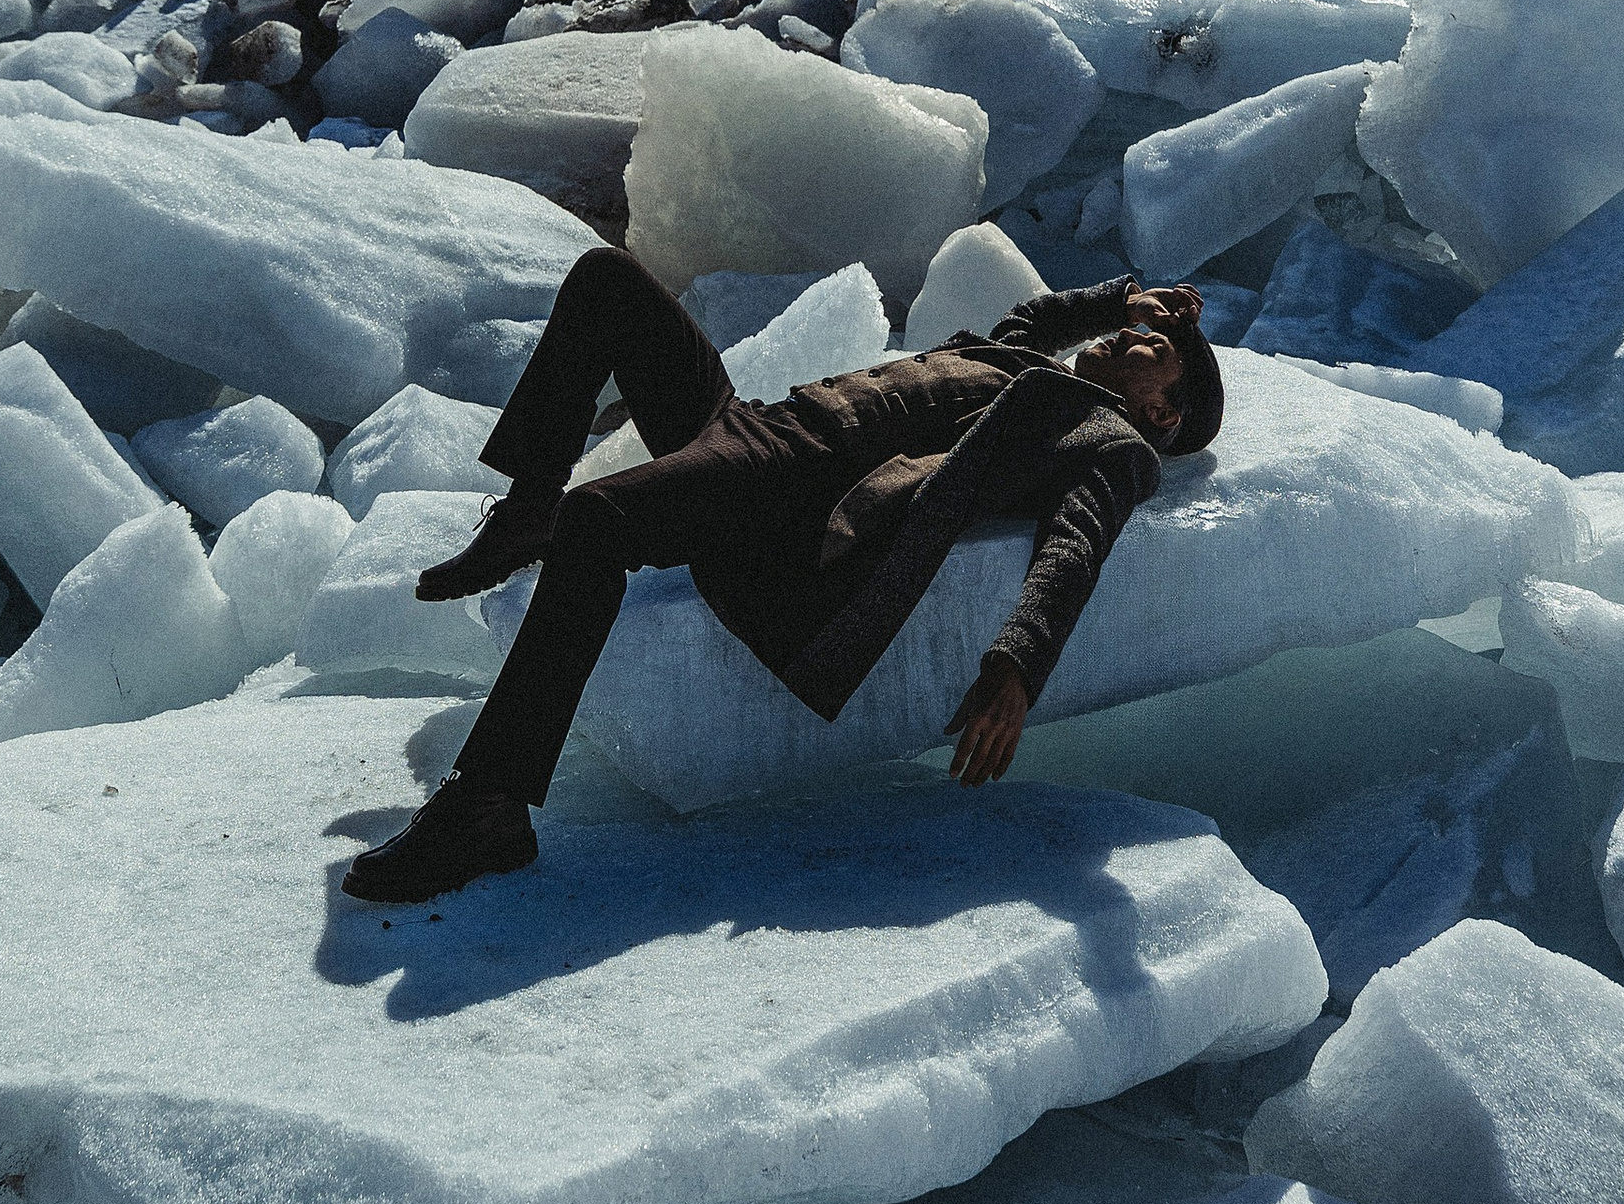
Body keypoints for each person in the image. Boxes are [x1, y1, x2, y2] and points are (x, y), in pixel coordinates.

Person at [340, 246, 1225, 903]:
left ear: (1163, 409)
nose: (1138, 332)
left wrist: (1016, 664)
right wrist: (1120, 295)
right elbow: (1038, 318)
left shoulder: (1107, 439)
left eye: (1157, 344)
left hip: (794, 489)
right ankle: (530, 502)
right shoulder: (1023, 362)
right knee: (607, 278)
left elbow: (1079, 541)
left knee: (599, 521)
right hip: (759, 426)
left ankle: (491, 807)